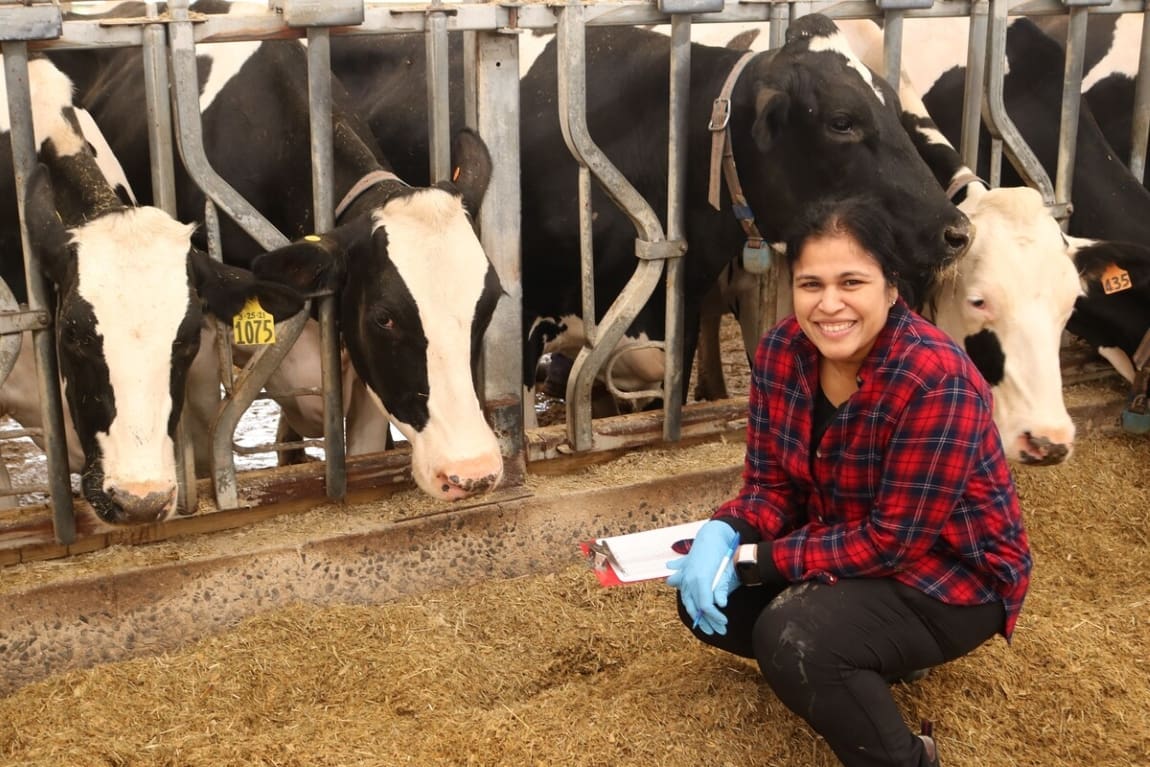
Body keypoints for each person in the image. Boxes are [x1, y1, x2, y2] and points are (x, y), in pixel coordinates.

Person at [666, 195, 1032, 767]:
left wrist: (755, 561)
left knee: (797, 637)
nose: (829, 305)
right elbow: (771, 484)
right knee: (708, 605)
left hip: (952, 575)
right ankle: (876, 652)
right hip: (847, 540)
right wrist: (727, 528)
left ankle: (909, 757)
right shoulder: (782, 351)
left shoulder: (937, 380)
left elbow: (894, 541)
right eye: (811, 284)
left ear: (891, 287)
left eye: (851, 282)